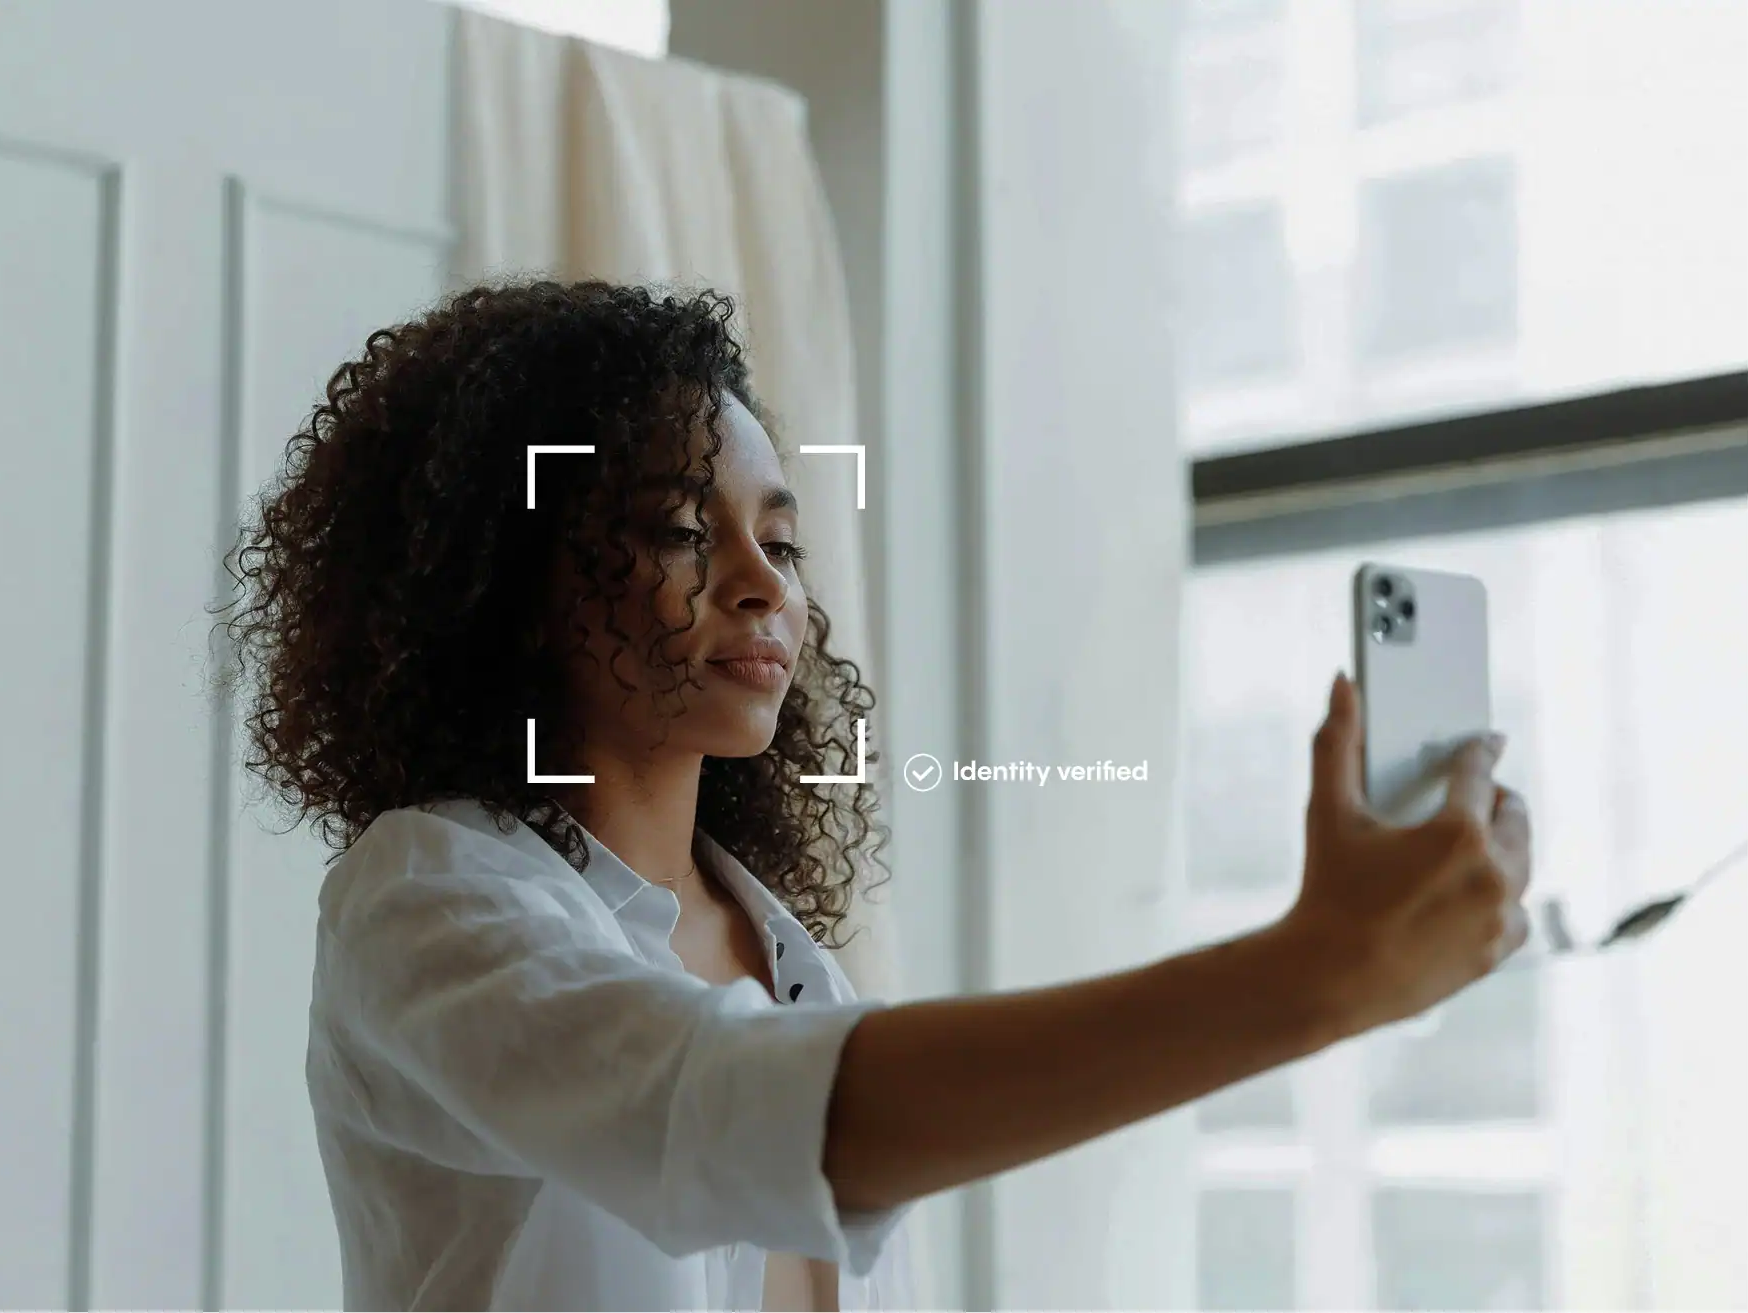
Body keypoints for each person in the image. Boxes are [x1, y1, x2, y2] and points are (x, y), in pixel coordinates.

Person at [216, 280, 1532, 1311]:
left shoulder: (793, 967)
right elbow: (737, 1114)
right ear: (509, 577)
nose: (762, 585)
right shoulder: (427, 896)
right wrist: (1314, 977)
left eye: (779, 540)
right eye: (683, 529)